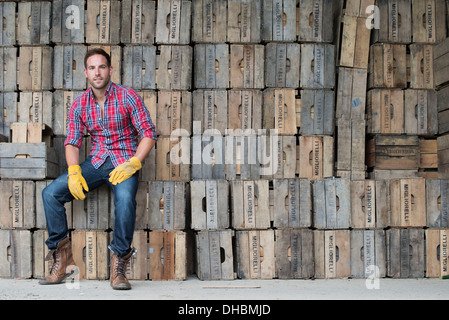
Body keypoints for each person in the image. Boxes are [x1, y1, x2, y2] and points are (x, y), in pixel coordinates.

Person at [39, 48, 157, 290]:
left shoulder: (127, 96)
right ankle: (62, 261)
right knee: (50, 194)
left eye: (102, 67)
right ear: (85, 73)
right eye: (92, 68)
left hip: (124, 162)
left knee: (125, 201)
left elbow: (148, 133)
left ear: (110, 70)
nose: (97, 72)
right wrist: (73, 171)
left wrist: (134, 162)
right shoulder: (80, 104)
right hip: (96, 162)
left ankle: (120, 265)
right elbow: (72, 142)